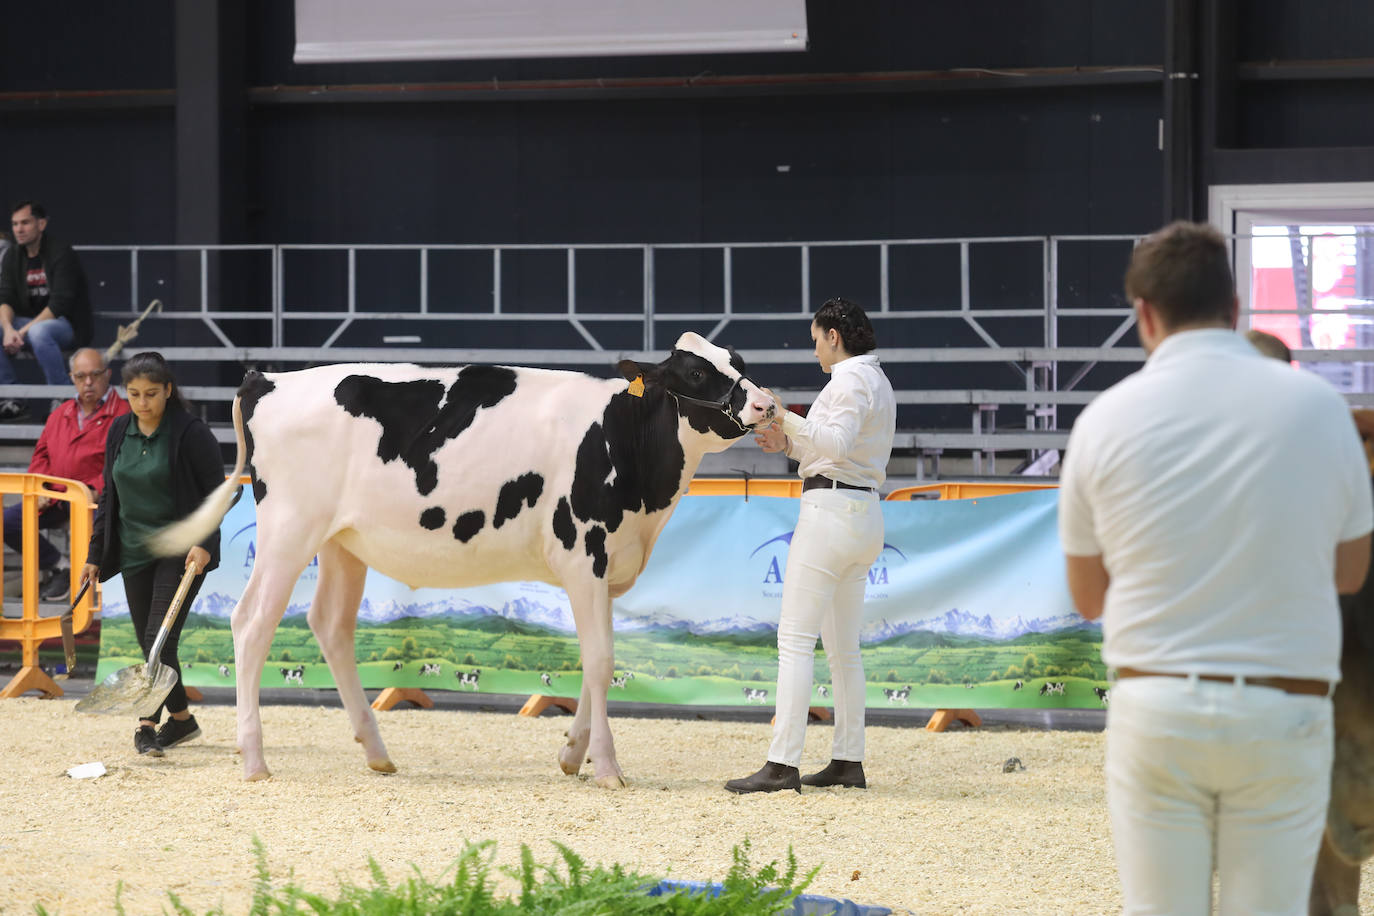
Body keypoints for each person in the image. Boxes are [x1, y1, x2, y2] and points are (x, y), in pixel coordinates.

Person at [1057, 221, 1373, 915]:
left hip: (1159, 704)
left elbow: (1086, 597)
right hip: (1284, 706)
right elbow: (1351, 573)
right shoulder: (1320, 409)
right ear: (1235, 310)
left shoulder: (1105, 421)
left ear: (1144, 314)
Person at [724, 297, 896, 794]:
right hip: (864, 513)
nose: (815, 350)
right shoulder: (877, 381)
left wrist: (782, 415)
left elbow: (836, 444)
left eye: (816, 339)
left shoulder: (847, 380)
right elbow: (837, 446)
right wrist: (788, 442)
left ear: (834, 336)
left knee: (795, 642)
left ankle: (782, 764)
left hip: (830, 515)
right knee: (845, 652)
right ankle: (848, 758)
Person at [78, 352, 223, 757]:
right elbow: (110, 494)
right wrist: (95, 553)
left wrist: (205, 543)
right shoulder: (119, 430)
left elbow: (219, 494)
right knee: (152, 643)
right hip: (133, 551)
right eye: (135, 394)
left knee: (159, 641)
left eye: (152, 394)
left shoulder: (191, 432)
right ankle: (182, 722)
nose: (143, 402)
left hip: (181, 551)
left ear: (168, 391)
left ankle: (146, 724)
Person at [3, 347, 129, 600]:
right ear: (72, 377)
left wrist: (96, 489)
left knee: (102, 534)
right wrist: (42, 488)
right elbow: (42, 455)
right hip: (57, 497)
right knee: (9, 521)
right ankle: (60, 567)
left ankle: (102, 595)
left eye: (95, 374)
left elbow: (125, 461)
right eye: (81, 376)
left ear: (108, 374)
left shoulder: (124, 413)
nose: (89, 382)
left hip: (98, 500)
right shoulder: (61, 413)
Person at [0, 201, 94, 422]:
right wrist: (7, 329)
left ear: (41, 224)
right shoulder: (13, 255)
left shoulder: (61, 253)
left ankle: (62, 397)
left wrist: (20, 332)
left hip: (64, 324)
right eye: (14, 224)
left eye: (25, 223)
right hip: (29, 324)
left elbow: (60, 304)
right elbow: (5, 298)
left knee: (39, 332)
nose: (18, 229)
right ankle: (11, 397)